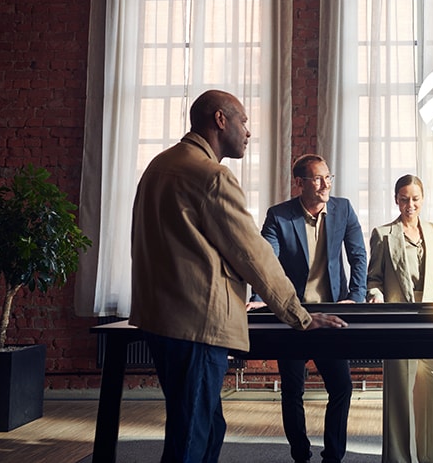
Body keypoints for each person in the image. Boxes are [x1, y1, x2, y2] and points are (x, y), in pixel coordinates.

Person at [129, 90, 347, 463]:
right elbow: (253, 254)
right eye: (243, 121)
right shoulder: (212, 176)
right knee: (192, 439)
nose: (248, 132)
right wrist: (300, 317)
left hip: (159, 321)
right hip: (196, 325)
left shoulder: (158, 166)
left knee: (204, 427)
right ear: (220, 120)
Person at [247, 153, 368, 463]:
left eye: (328, 177)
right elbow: (266, 262)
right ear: (299, 183)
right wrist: (259, 300)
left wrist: (355, 297)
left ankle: (334, 457)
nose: (325, 183)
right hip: (294, 316)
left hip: (330, 315)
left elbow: (358, 256)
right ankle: (300, 454)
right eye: (317, 178)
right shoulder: (279, 216)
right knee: (292, 389)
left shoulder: (343, 209)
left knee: (341, 387)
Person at [367, 174, 433, 463]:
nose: (410, 204)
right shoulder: (383, 234)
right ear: (396, 200)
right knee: (400, 397)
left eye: (415, 198)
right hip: (399, 320)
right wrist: (376, 295)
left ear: (423, 199)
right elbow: (374, 279)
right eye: (404, 199)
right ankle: (400, 459)